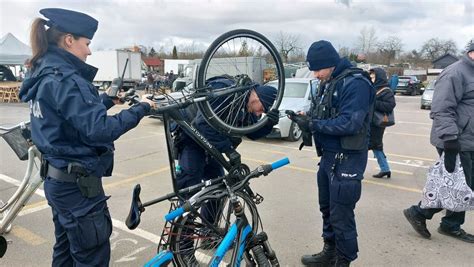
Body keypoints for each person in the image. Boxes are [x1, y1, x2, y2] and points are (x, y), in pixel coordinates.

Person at [19, 8, 156, 266]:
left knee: (66, 252)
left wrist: (105, 101)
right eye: (87, 43)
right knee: (91, 256)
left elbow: (69, 120)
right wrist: (142, 108)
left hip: (58, 182)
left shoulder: (44, 71)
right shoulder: (66, 80)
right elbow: (99, 130)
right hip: (77, 188)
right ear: (69, 40)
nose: (89, 51)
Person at [291, 40, 374, 266]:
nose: (316, 74)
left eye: (318, 69)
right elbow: (325, 113)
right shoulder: (329, 82)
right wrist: (305, 117)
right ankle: (330, 251)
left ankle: (344, 260)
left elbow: (350, 123)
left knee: (342, 214)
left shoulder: (356, 84)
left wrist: (314, 124)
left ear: (330, 63)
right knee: (327, 208)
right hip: (328, 158)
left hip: (348, 160)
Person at [403, 43, 474, 243]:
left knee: (465, 185)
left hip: (470, 139)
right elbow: (442, 108)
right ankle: (419, 212)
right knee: (458, 184)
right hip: (455, 139)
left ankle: (451, 225)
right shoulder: (455, 73)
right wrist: (450, 138)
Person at [368, 68, 396, 178]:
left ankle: (357, 169)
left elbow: (390, 105)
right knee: (376, 146)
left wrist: (374, 102)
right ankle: (385, 169)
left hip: (377, 123)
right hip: (371, 122)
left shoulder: (386, 90)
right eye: (371, 76)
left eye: (374, 76)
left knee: (370, 145)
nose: (372, 78)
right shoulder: (373, 88)